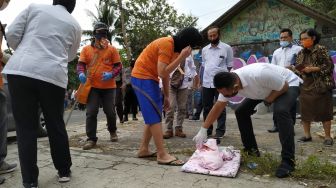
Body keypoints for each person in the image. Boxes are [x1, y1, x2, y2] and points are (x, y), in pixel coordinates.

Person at [3, 0, 81, 187]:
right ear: (72, 5)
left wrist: (23, 49)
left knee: (25, 128)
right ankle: (63, 171)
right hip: (52, 75)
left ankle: (30, 181)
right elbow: (70, 55)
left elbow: (12, 34)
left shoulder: (34, 7)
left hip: (21, 70)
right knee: (55, 123)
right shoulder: (75, 25)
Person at [193, 63, 301, 178]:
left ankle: (288, 161)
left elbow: (283, 86)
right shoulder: (228, 83)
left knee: (281, 111)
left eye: (227, 95)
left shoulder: (259, 74)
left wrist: (267, 101)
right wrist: (203, 129)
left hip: (288, 84)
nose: (225, 96)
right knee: (241, 111)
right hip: (264, 90)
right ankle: (252, 151)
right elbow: (218, 106)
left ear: (235, 87)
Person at [131, 27, 202, 165]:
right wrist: (182, 57)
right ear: (187, 43)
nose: (191, 50)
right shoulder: (167, 44)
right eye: (192, 47)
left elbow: (165, 75)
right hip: (142, 78)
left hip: (151, 79)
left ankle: (143, 149)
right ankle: (162, 154)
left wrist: (167, 96)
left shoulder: (175, 51)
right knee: (154, 116)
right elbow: (162, 71)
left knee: (154, 114)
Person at [77, 22, 122, 150]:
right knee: (91, 112)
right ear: (94, 34)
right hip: (92, 86)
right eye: (99, 34)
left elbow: (118, 66)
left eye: (104, 34)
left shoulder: (112, 49)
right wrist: (80, 73)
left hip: (109, 87)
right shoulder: (86, 49)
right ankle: (91, 139)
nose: (102, 37)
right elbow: (81, 64)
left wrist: (111, 74)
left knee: (110, 112)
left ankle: (112, 131)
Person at [292, 28, 334, 146]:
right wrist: (295, 69)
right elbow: (299, 67)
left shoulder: (321, 49)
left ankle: (327, 137)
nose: (302, 41)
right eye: (301, 39)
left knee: (325, 111)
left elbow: (329, 66)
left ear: (313, 38)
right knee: (305, 112)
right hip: (306, 85)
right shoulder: (301, 52)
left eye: (305, 38)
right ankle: (307, 135)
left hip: (321, 84)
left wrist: (313, 69)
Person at [201, 26, 233, 140]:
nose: (212, 37)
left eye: (214, 35)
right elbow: (204, 65)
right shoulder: (204, 50)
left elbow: (229, 65)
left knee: (221, 106)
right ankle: (207, 130)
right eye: (210, 36)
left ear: (219, 35)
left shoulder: (227, 48)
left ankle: (220, 131)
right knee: (207, 107)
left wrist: (225, 80)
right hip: (207, 82)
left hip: (221, 83)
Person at [268, 28, 302, 133]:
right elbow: (272, 67)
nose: (283, 39)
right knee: (276, 102)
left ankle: (290, 127)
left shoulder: (298, 49)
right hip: (278, 81)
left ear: (291, 38)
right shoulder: (276, 52)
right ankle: (276, 125)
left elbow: (301, 65)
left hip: (293, 81)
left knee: (291, 104)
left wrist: (292, 67)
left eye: (285, 37)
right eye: (281, 37)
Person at [163, 54, 198, 139]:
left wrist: (194, 79)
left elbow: (193, 68)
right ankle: (169, 129)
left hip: (184, 84)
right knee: (170, 107)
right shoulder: (170, 53)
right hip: (171, 83)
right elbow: (163, 68)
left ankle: (179, 128)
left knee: (182, 108)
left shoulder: (188, 55)